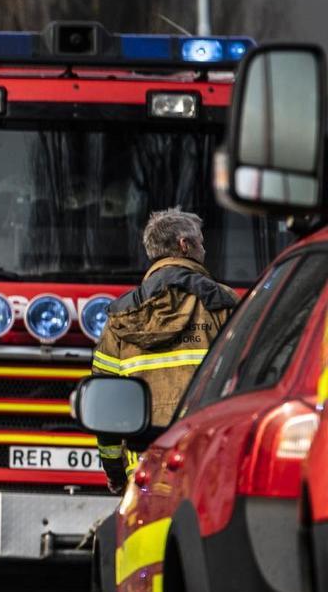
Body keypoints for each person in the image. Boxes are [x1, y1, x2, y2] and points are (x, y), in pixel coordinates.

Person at [90, 208, 238, 492]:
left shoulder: (121, 316)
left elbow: (105, 402)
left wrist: (116, 473)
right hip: (206, 465)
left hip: (145, 473)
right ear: (185, 245)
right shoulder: (223, 303)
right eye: (201, 243)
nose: (204, 250)